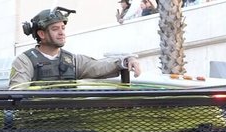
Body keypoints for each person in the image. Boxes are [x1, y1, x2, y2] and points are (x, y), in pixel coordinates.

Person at [9, 7, 142, 88]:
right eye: (55, 29)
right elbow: (17, 93)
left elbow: (97, 67)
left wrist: (125, 61)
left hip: (71, 123)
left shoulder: (72, 60)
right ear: (42, 34)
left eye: (63, 28)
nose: (61, 32)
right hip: (35, 127)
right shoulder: (24, 61)